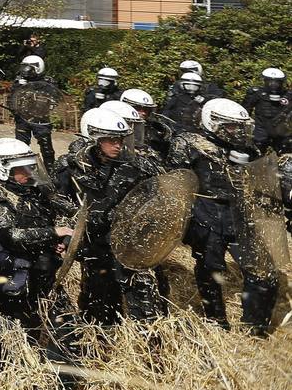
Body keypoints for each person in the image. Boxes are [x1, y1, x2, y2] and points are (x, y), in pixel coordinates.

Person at [0, 139, 80, 390]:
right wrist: (53, 232)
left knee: (67, 325)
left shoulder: (34, 189)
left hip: (43, 270)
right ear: (4, 169)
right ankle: (17, 384)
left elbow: (66, 212)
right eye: (22, 170)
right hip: (7, 275)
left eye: (30, 167)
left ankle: (62, 387)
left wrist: (63, 240)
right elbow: (12, 235)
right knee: (20, 330)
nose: (28, 174)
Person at [168, 98, 276, 333]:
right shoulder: (190, 143)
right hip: (204, 213)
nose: (237, 132)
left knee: (263, 271)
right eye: (230, 126)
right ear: (212, 123)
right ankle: (216, 321)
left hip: (240, 214)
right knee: (210, 269)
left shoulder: (247, 147)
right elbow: (175, 180)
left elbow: (264, 179)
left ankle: (255, 327)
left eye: (240, 127)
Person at [53, 109, 163, 325]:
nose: (118, 145)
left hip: (129, 243)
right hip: (93, 244)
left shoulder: (133, 166)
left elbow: (155, 196)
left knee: (145, 300)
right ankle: (101, 338)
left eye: (120, 140)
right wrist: (66, 236)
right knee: (99, 301)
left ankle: (147, 343)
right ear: (94, 139)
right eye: (111, 140)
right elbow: (57, 203)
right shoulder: (69, 167)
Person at [11, 55, 58, 166]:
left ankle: (51, 169)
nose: (26, 71)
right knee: (21, 146)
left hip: (40, 119)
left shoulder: (47, 83)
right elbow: (12, 99)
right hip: (22, 119)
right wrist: (19, 88)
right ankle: (23, 169)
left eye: (29, 68)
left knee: (46, 147)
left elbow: (54, 98)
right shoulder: (19, 82)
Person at [246, 67, 289, 154]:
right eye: (270, 82)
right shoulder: (257, 93)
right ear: (265, 81)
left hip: (281, 131)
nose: (273, 84)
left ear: (281, 82)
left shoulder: (288, 95)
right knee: (256, 152)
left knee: (285, 153)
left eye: (276, 82)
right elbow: (246, 110)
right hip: (261, 129)